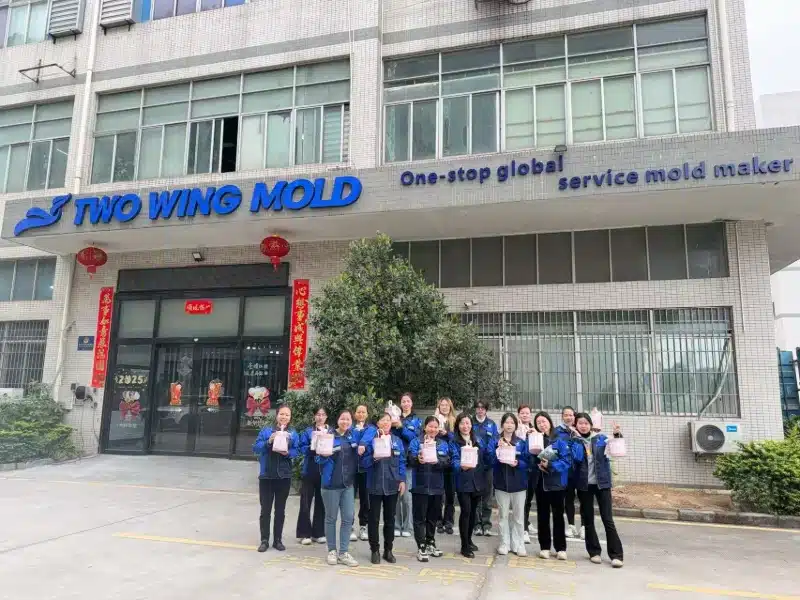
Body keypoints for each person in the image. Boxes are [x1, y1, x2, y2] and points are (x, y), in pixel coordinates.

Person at [573, 412, 625, 568]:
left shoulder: (601, 439)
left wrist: (617, 434)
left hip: (602, 484)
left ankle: (616, 555)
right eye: (580, 423)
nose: (583, 426)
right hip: (584, 485)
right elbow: (574, 460)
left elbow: (616, 448)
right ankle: (594, 552)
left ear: (590, 424)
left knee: (607, 519)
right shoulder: (574, 441)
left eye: (586, 423)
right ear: (576, 425)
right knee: (588, 519)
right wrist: (576, 440)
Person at [360, 412, 406, 564]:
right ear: (378, 423)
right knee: (373, 519)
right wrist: (373, 457)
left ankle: (388, 550)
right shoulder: (371, 440)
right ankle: (374, 550)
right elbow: (363, 462)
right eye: (383, 420)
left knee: (390, 519)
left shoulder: (396, 441)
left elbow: (402, 462)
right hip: (374, 484)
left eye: (388, 420)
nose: (386, 423)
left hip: (392, 485)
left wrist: (402, 480)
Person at [253, 405, 300, 552]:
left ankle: (278, 540)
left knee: (280, 510)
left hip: (283, 476)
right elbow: (256, 447)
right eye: (282, 414)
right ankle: (264, 540)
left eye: (287, 415)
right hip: (267, 476)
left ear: (290, 418)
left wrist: (288, 453)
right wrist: (268, 441)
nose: (284, 417)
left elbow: (297, 450)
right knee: (265, 510)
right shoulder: (267, 431)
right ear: (277, 415)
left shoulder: (293, 433)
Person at [316, 409, 359, 567]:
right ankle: (332, 551)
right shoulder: (328, 436)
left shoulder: (353, 436)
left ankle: (344, 552)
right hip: (330, 485)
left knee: (348, 518)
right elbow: (318, 459)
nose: (345, 422)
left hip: (347, 484)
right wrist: (323, 456)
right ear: (337, 420)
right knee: (331, 518)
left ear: (351, 422)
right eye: (343, 419)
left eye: (348, 419)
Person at [409, 415, 452, 562]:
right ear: (425, 427)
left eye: (435, 427)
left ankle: (430, 542)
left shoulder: (442, 444)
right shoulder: (416, 442)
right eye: (430, 426)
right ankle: (421, 546)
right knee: (419, 518)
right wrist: (418, 459)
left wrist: (437, 462)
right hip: (420, 486)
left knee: (433, 517)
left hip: (437, 486)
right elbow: (410, 459)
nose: (433, 429)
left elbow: (447, 462)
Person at [530, 411, 572, 561]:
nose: (542, 424)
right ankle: (544, 547)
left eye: (544, 421)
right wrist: (537, 465)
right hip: (541, 483)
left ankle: (561, 548)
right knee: (542, 516)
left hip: (556, 483)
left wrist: (551, 465)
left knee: (558, 516)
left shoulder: (559, 440)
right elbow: (530, 460)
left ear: (549, 422)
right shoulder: (535, 440)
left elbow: (566, 461)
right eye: (538, 422)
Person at [451, 412, 491, 558]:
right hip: (463, 481)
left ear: (471, 425)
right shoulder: (454, 441)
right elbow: (454, 460)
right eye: (462, 423)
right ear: (458, 425)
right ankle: (464, 545)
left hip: (477, 480)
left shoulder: (478, 440)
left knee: (473, 512)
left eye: (468, 423)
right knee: (466, 511)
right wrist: (461, 466)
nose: (465, 426)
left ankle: (469, 540)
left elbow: (487, 456)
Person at [490, 412, 529, 557]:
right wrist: (497, 449)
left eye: (512, 422)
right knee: (503, 516)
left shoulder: (521, 442)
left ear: (516, 425)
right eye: (506, 422)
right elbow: (489, 460)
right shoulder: (495, 441)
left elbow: (528, 462)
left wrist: (518, 463)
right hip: (501, 484)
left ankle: (518, 544)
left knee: (518, 517)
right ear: (502, 425)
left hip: (519, 484)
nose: (509, 425)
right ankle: (504, 543)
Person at [296, 407, 329, 545]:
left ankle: (318, 533)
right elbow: (301, 448)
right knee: (305, 502)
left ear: (326, 417)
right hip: (310, 469)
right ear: (314, 416)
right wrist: (312, 446)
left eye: (323, 414)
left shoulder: (331, 432)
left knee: (322, 502)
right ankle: (304, 534)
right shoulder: (308, 431)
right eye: (318, 414)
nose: (320, 417)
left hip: (325, 470)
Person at [393, 392, 421, 538]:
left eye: (408, 401)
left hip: (408, 462)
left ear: (411, 403)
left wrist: (401, 427)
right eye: (403, 401)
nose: (405, 403)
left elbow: (415, 438)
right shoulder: (394, 416)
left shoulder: (416, 420)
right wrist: (393, 423)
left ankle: (408, 526)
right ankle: (397, 525)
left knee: (406, 497)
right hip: (394, 461)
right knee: (395, 495)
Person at [472, 399, 498, 537]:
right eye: (478, 407)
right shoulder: (470, 422)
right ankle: (476, 525)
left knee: (487, 496)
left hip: (488, 464)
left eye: (483, 408)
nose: (480, 410)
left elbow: (495, 441)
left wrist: (489, 451)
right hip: (474, 464)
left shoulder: (491, 424)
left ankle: (486, 524)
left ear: (486, 410)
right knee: (476, 495)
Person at [555, 406, 582, 539]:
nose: (568, 417)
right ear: (562, 416)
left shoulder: (580, 429)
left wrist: (578, 436)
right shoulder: (557, 432)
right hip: (566, 471)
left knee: (584, 499)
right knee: (569, 499)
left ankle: (584, 527)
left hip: (581, 471)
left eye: (571, 415)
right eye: (566, 415)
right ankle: (571, 526)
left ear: (574, 416)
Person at [434, 397, 457, 534]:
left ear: (450, 407)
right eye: (442, 405)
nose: (444, 407)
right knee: (438, 492)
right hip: (438, 460)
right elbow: (428, 434)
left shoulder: (454, 421)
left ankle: (449, 521)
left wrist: (447, 433)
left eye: (446, 405)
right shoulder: (435, 420)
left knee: (450, 493)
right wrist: (436, 419)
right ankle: (438, 520)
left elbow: (457, 438)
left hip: (451, 461)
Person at [352, 404, 372, 542]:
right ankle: (350, 526)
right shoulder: (350, 428)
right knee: (349, 498)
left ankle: (363, 526)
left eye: (363, 412)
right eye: (358, 412)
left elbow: (368, 443)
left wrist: (363, 443)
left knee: (365, 499)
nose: (361, 414)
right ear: (355, 414)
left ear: (367, 414)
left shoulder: (371, 429)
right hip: (352, 469)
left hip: (366, 468)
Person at [516, 404, 536, 544]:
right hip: (520, 468)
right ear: (518, 415)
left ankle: (526, 522)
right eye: (522, 413)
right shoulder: (515, 429)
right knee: (521, 500)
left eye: (527, 413)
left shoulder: (534, 430)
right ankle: (523, 529)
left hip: (533, 468)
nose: (525, 415)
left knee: (528, 499)